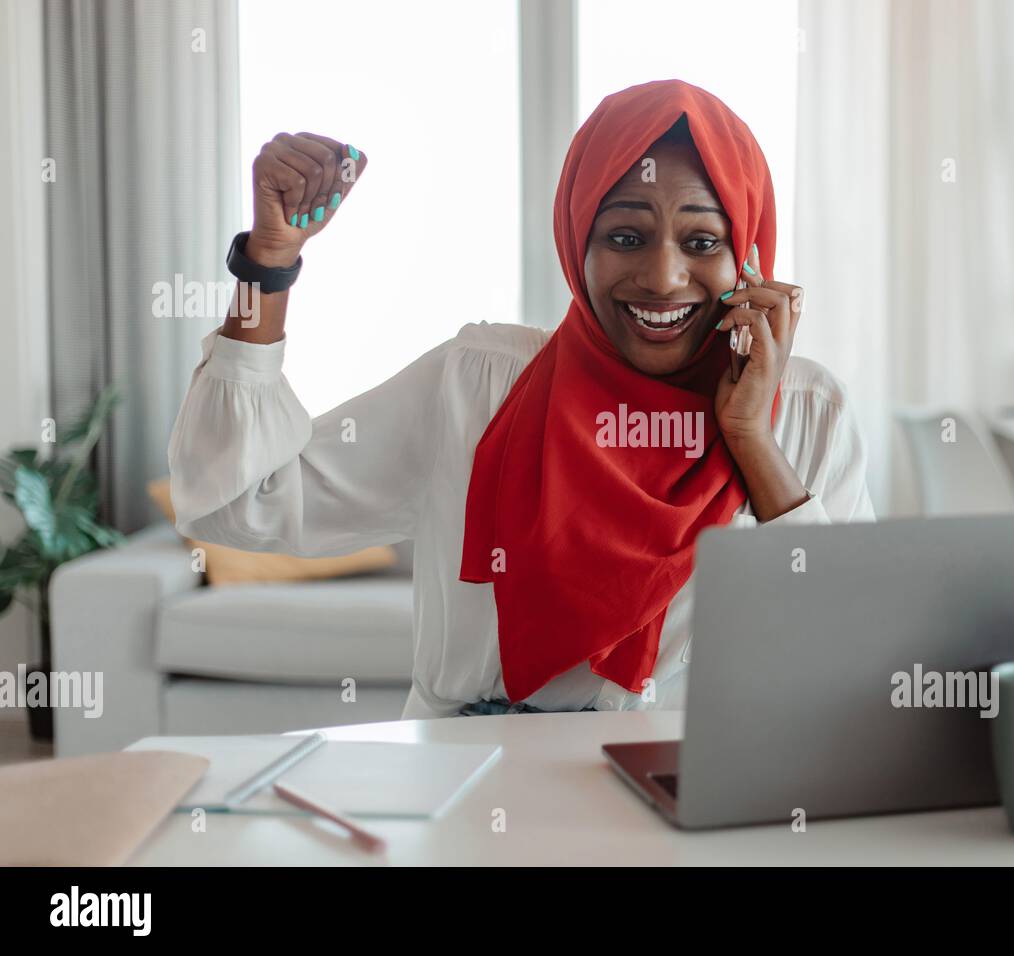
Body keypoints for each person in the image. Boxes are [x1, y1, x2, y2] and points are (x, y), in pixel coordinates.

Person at [167, 79, 875, 720]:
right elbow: (237, 503)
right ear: (576, 242)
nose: (663, 277)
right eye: (625, 236)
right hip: (473, 800)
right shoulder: (477, 385)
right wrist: (266, 264)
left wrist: (751, 437)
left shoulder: (808, 413)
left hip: (692, 808)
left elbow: (846, 659)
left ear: (747, 256)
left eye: (701, 240)